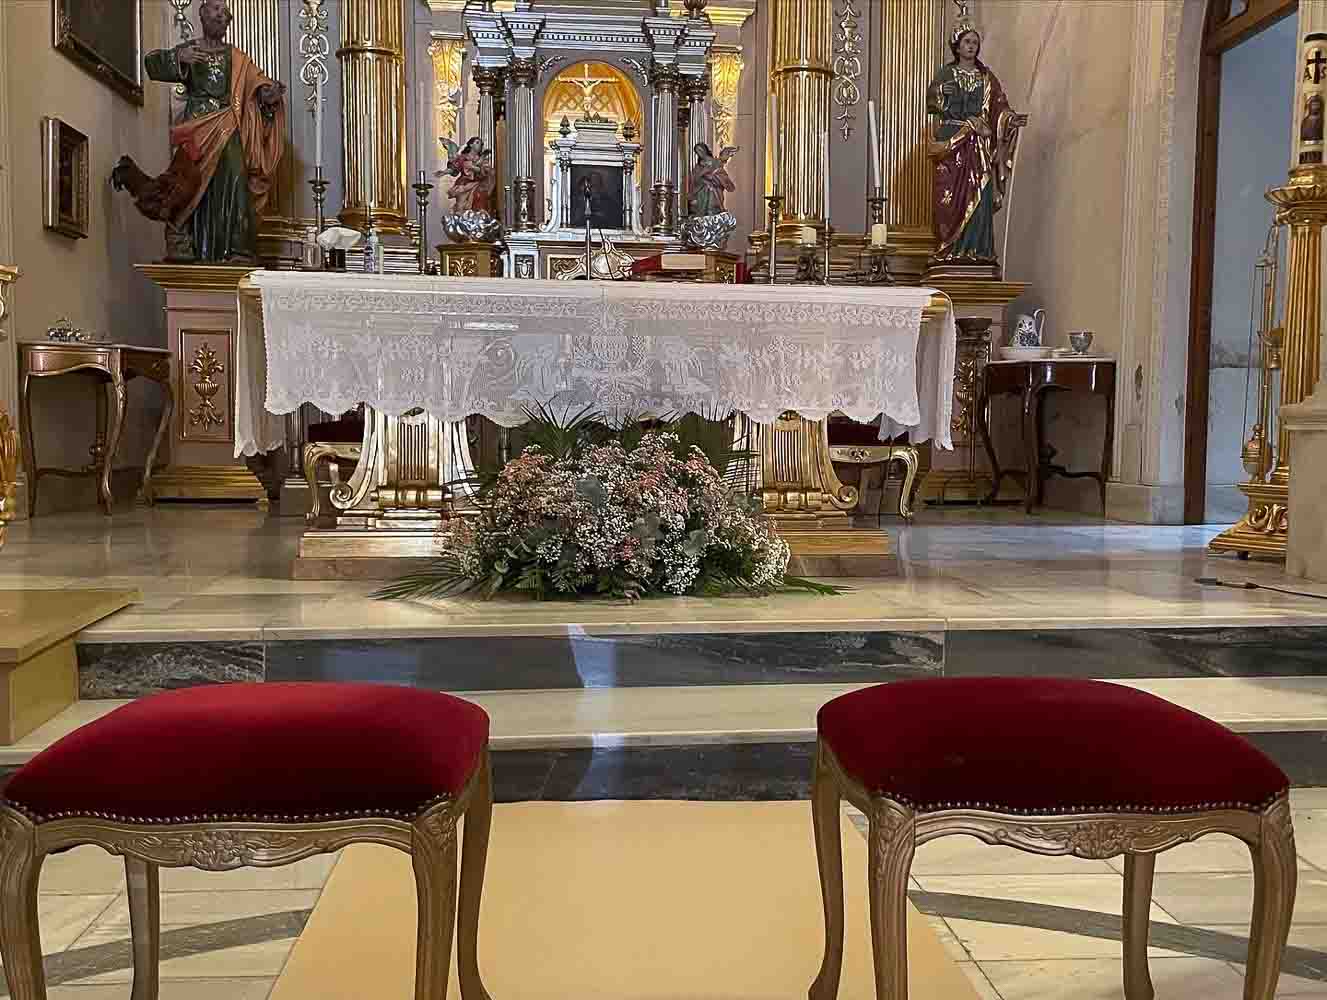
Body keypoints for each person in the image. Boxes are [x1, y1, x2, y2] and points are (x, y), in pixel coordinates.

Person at [114, 0, 285, 262]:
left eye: (225, 13)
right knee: (189, 184)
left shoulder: (237, 58)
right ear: (203, 15)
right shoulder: (190, 49)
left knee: (236, 179)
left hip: (228, 127)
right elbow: (151, 64)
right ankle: (191, 245)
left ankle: (237, 248)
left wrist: (268, 94)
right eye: (216, 10)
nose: (221, 16)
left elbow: (257, 86)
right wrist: (178, 58)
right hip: (196, 129)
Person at [925, 22, 1028, 270]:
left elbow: (999, 107)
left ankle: (978, 251)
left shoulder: (986, 77)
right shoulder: (946, 73)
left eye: (975, 42)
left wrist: (1009, 119)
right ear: (957, 46)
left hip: (978, 145)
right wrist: (941, 93)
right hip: (952, 141)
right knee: (948, 197)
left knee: (979, 195)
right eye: (967, 42)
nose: (971, 46)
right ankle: (949, 248)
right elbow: (932, 102)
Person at [442, 137, 496, 215]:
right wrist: (444, 172)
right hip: (464, 183)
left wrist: (486, 170)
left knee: (480, 194)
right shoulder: (463, 157)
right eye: (477, 142)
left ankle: (477, 215)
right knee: (461, 203)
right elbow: (455, 169)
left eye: (480, 143)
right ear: (471, 144)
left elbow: (485, 171)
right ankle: (460, 214)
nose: (480, 145)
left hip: (477, 183)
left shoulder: (482, 159)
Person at [688, 142, 738, 217]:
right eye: (697, 152)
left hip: (714, 186)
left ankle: (713, 210)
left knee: (711, 190)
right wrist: (703, 174)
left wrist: (713, 176)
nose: (700, 153)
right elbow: (695, 178)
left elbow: (720, 172)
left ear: (705, 150)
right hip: (701, 188)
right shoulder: (699, 165)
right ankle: (703, 213)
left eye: (701, 150)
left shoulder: (715, 161)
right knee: (706, 189)